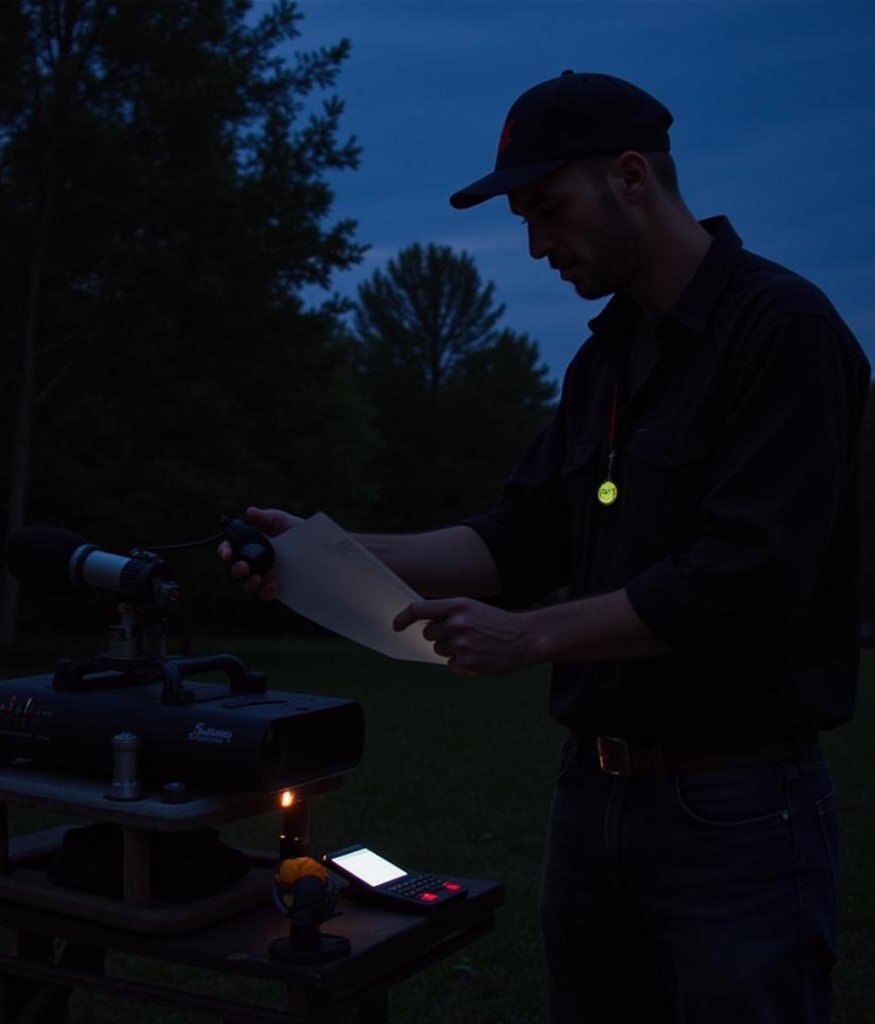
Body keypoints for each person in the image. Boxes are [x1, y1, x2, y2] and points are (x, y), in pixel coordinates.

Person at [221, 71, 870, 1023]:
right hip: (592, 798)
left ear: (634, 176)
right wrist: (322, 549)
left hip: (737, 809)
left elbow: (747, 579)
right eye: (525, 218)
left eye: (549, 210)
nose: (534, 245)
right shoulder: (603, 362)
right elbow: (515, 540)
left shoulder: (784, 333)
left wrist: (536, 639)